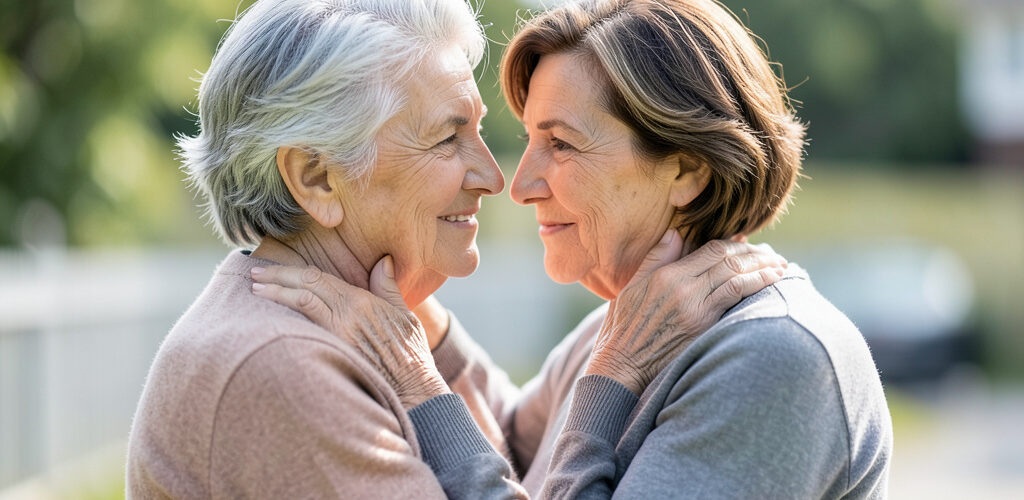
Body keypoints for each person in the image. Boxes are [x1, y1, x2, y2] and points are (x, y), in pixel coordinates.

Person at [126, 0, 782, 498]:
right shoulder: (285, 371)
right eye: (446, 139)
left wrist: (425, 338)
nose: (493, 178)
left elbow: (516, 448)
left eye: (477, 131)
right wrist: (614, 376)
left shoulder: (331, 324)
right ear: (319, 178)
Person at [254, 0, 893, 498]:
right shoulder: (631, 322)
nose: (522, 183)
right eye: (529, 138)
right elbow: (510, 448)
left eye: (560, 144)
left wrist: (418, 382)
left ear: (686, 169)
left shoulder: (773, 359)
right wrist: (405, 309)